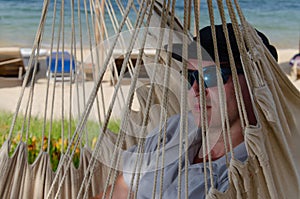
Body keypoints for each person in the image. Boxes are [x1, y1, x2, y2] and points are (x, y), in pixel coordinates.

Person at [92, 23, 278, 199]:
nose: (196, 89)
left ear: (256, 80)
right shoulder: (173, 130)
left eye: (211, 76)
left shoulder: (255, 172)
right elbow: (120, 190)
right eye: (191, 77)